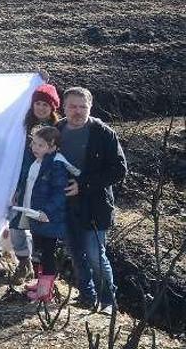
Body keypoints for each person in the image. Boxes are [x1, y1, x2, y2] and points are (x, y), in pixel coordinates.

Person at [58, 87, 126, 315]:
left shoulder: (104, 133)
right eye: (72, 106)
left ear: (90, 107)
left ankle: (108, 302)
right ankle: (87, 297)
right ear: (63, 107)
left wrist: (83, 185)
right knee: (76, 254)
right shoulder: (56, 131)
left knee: (96, 256)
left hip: (95, 206)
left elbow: (119, 170)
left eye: (82, 107)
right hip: (65, 206)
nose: (77, 111)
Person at [16, 126, 80, 302]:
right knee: (39, 251)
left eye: (41, 145)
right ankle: (40, 283)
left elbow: (59, 193)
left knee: (47, 252)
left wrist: (46, 211)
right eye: (34, 143)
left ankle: (45, 293)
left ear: (53, 147)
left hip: (48, 218)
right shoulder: (38, 162)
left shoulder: (56, 164)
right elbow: (30, 186)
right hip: (34, 214)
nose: (35, 148)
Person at [9, 84, 61, 285]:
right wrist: (16, 185)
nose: (41, 108)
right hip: (23, 183)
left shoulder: (58, 129)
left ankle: (44, 279)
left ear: (53, 107)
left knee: (42, 232)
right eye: (38, 103)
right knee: (16, 226)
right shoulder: (22, 126)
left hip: (44, 189)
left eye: (45, 104)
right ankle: (24, 262)